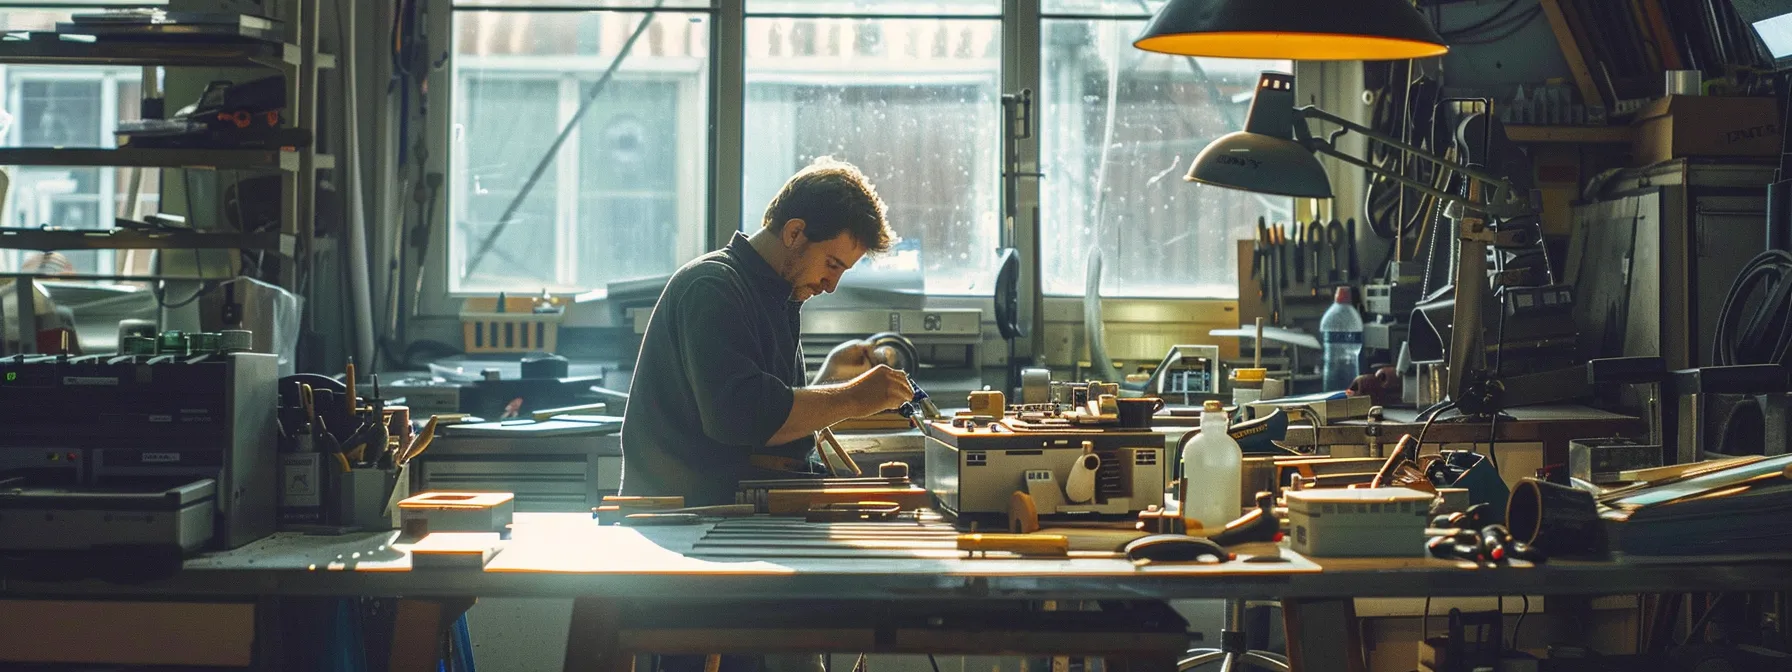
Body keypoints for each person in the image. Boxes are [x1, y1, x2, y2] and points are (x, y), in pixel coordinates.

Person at [620, 157, 916, 507]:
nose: (832, 285)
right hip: (687, 514)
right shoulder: (712, 287)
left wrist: (828, 381)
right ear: (794, 233)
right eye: (832, 264)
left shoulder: (778, 295)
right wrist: (852, 397)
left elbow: (767, 415)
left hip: (727, 506)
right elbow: (741, 417)